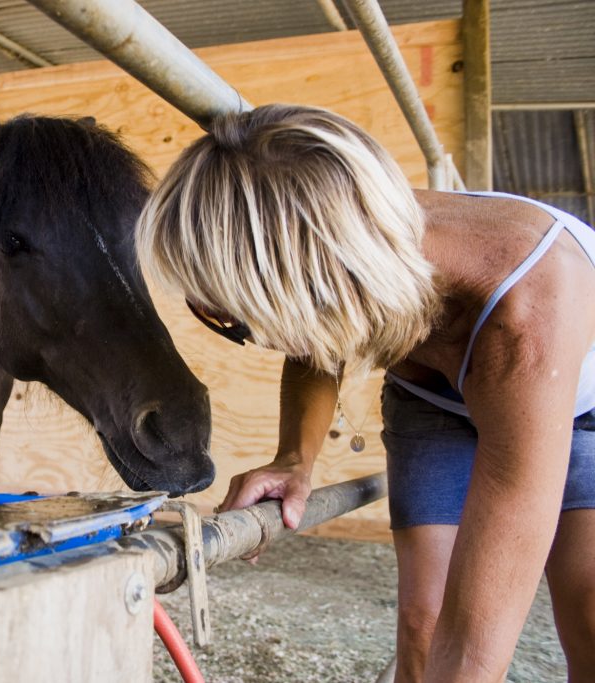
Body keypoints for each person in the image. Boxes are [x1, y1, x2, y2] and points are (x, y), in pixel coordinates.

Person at [136, 104, 595, 682]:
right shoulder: (344, 238)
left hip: (576, 410)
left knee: (586, 620)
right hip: (429, 398)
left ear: (325, 284)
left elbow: (479, 641)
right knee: (424, 627)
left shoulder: (531, 314)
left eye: (241, 320)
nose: (249, 335)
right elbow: (312, 337)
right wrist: (295, 459)